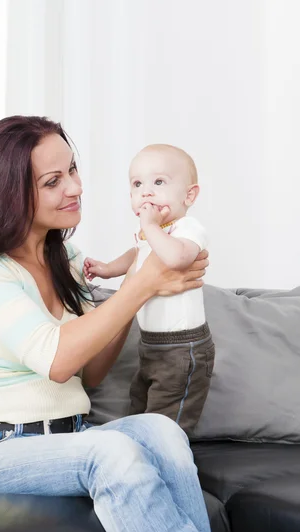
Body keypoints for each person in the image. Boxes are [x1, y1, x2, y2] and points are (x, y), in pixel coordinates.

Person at [0, 116, 227, 532]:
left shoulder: (64, 258)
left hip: (73, 434)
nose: (76, 187)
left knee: (162, 432)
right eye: (53, 181)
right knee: (113, 451)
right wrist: (139, 284)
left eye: (72, 170)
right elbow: (56, 361)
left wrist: (143, 295)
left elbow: (92, 370)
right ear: (10, 193)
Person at [84, 144, 214, 435]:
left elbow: (176, 257)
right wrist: (108, 268)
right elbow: (138, 254)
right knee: (140, 407)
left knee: (166, 425)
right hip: (151, 344)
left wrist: (151, 227)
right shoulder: (150, 233)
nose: (146, 192)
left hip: (182, 347)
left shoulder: (188, 228)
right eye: (137, 184)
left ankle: (167, 462)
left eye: (159, 182)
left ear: (189, 195)